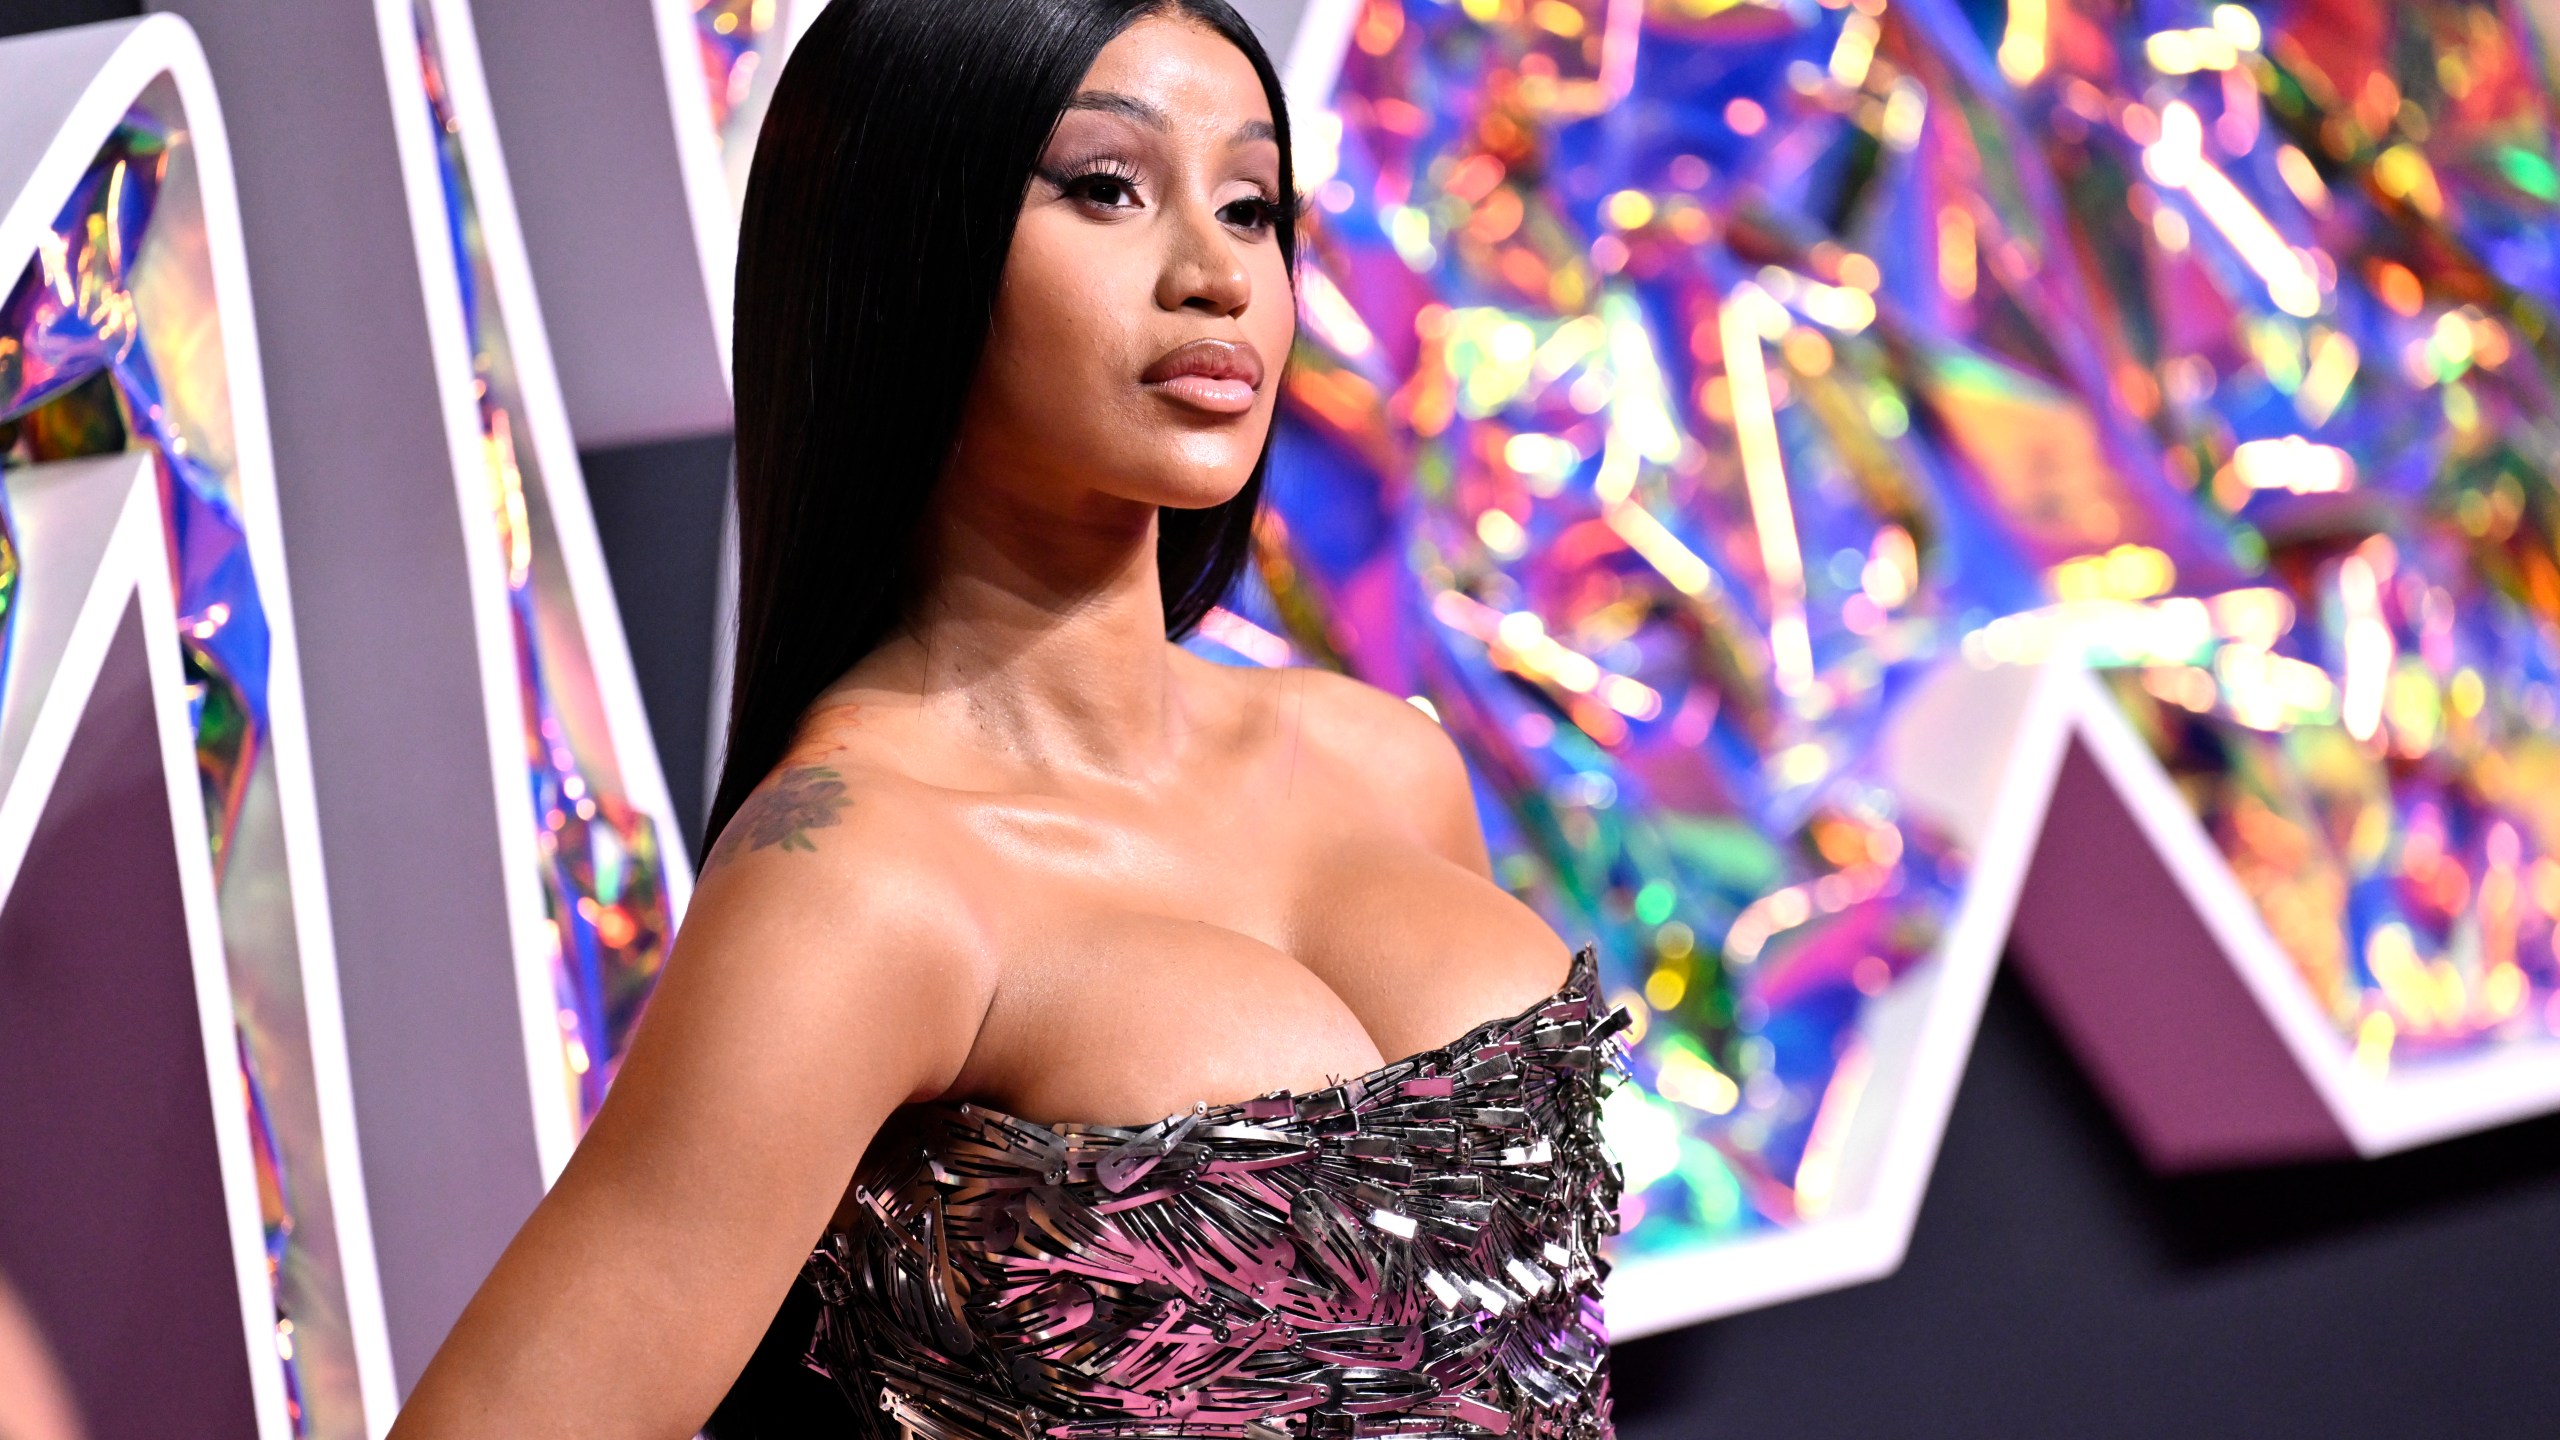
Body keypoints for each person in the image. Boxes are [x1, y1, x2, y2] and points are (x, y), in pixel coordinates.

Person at [389, 2, 1622, 1435]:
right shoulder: (855, 883)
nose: (1217, 273)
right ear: (901, 242)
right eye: (1108, 187)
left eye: (1251, 202)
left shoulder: (1382, 760)